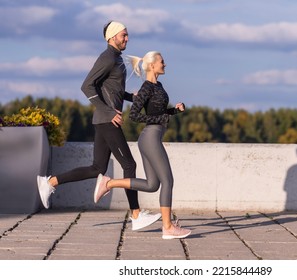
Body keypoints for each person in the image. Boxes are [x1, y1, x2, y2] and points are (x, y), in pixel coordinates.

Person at [37, 21, 161, 231]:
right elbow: (87, 86)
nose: (127, 39)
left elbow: (112, 89)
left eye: (127, 35)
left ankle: (50, 182)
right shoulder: (107, 57)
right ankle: (136, 215)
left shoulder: (116, 59)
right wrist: (109, 111)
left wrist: (132, 96)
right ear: (112, 37)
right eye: (124, 35)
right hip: (106, 120)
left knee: (97, 168)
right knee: (129, 165)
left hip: (104, 120)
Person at [94, 51, 191, 239]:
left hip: (152, 137)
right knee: (168, 181)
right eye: (162, 62)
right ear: (152, 65)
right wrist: (161, 117)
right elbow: (134, 115)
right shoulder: (146, 87)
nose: (165, 64)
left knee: (152, 184)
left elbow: (160, 111)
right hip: (150, 137)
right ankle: (168, 227)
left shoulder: (159, 86)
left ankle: (109, 183)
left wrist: (174, 111)